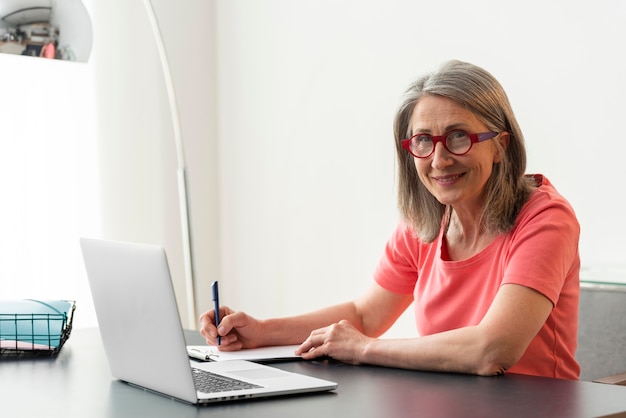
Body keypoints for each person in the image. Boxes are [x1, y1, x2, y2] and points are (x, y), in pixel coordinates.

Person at [199, 60, 581, 380]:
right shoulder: (424, 225)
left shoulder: (545, 219)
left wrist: (365, 349)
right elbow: (365, 316)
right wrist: (261, 333)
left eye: (459, 136)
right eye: (422, 140)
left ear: (500, 145)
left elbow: (492, 350)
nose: (439, 158)